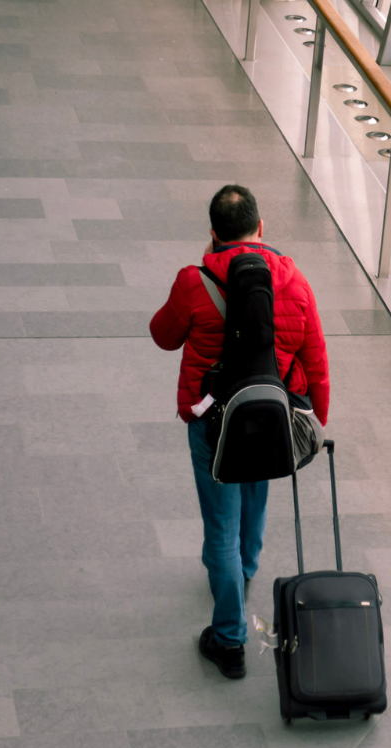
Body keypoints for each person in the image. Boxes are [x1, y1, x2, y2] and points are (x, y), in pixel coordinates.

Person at [150, 185, 330, 679]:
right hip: (271, 417)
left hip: (213, 423)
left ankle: (229, 638)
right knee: (255, 496)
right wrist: (317, 415)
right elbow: (315, 355)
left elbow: (163, 335)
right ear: (261, 228)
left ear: (213, 235)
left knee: (220, 526)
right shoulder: (295, 283)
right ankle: (246, 572)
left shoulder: (195, 280)